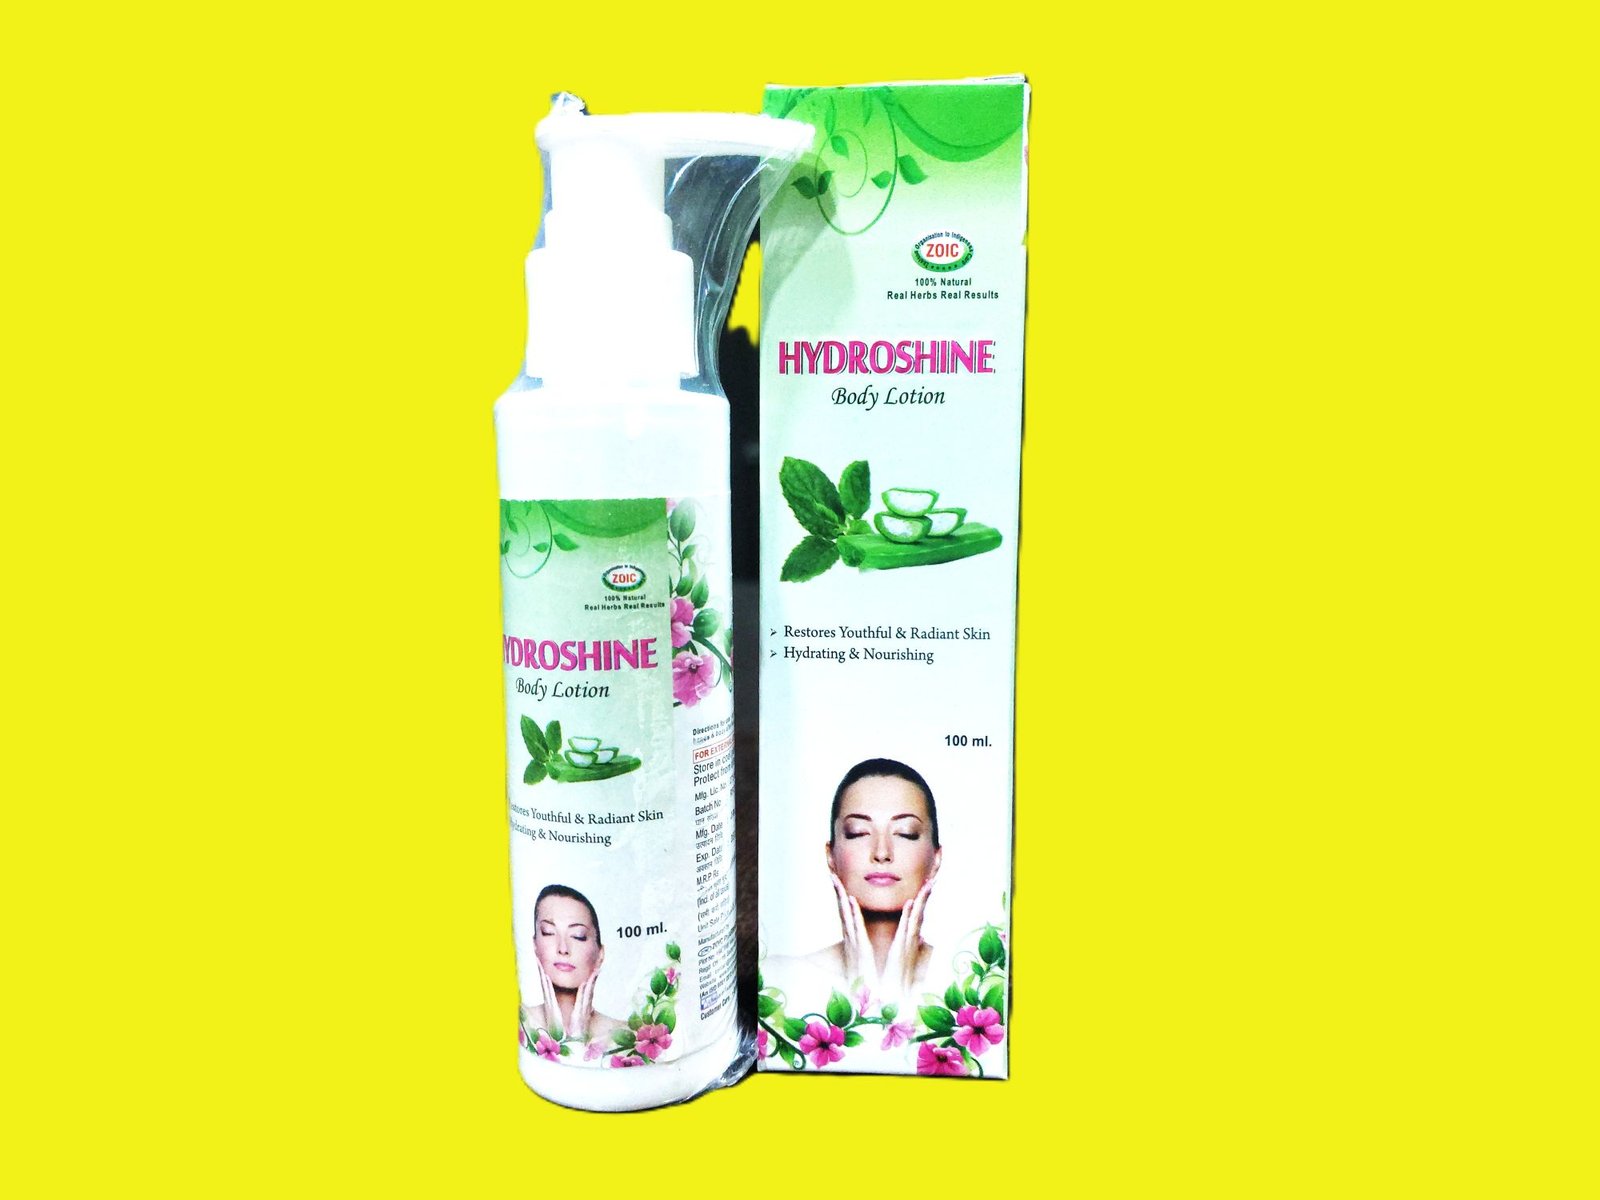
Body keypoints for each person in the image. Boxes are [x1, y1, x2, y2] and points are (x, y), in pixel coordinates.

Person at [804, 758, 943, 1001]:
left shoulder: (971, 984)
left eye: (906, 833)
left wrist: (895, 991)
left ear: (936, 859)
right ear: (830, 856)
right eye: (858, 833)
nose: (881, 852)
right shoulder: (781, 976)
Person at [520, 884, 624, 1041]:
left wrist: (577, 1035)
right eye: (548, 932)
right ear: (535, 944)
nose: (563, 949)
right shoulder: (523, 1022)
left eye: (578, 936)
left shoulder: (628, 1035)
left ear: (600, 954)